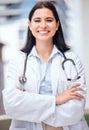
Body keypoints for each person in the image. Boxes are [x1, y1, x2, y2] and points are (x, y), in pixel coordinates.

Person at [2, 1, 89, 130]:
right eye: (37, 20)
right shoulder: (18, 61)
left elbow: (75, 109)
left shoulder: (72, 60)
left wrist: (30, 106)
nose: (43, 25)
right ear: (30, 25)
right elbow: (11, 106)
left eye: (49, 20)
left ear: (57, 25)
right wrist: (57, 100)